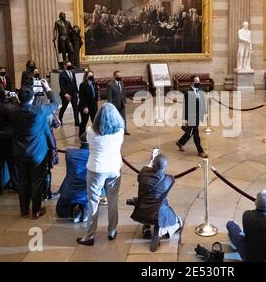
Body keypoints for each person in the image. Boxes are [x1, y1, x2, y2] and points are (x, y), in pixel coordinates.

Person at [8, 79, 59, 220]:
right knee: (37, 181)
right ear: (33, 97)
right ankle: (35, 211)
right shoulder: (40, 110)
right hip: (37, 152)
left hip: (19, 151)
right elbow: (55, 103)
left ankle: (24, 211)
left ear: (19, 97)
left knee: (23, 181)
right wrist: (47, 87)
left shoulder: (12, 112)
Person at [76, 103, 125, 246]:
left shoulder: (91, 132)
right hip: (114, 169)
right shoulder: (120, 131)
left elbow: (82, 137)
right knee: (113, 200)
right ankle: (112, 230)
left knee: (93, 201)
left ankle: (90, 235)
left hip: (96, 170)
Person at [130, 151, 183, 252]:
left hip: (141, 212)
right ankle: (160, 232)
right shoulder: (169, 179)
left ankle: (146, 227)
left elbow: (147, 168)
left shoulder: (142, 173)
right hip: (158, 214)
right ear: (165, 167)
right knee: (177, 222)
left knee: (149, 202)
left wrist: (152, 160)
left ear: (153, 164)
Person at [0, 83, 18, 196]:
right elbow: (15, 121)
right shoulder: (8, 107)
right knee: (12, 164)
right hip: (8, 139)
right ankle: (16, 186)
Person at [56, 134, 90, 222]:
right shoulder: (94, 155)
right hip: (86, 188)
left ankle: (74, 209)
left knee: (61, 210)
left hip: (69, 188)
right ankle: (84, 208)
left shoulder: (69, 153)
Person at [176, 76, 208, 158]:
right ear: (192, 82)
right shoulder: (187, 93)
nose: (198, 82)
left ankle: (180, 142)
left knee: (191, 132)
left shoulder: (200, 90)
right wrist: (185, 118)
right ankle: (200, 151)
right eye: (196, 81)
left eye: (199, 81)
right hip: (191, 116)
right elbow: (185, 107)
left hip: (198, 115)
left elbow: (202, 102)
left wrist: (205, 112)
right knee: (196, 133)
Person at [106, 70, 130, 135]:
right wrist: (110, 105)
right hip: (114, 104)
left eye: (120, 75)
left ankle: (124, 130)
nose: (119, 77)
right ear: (114, 76)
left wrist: (124, 101)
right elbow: (109, 96)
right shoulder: (110, 85)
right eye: (118, 76)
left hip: (121, 103)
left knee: (123, 117)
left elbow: (123, 93)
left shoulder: (122, 83)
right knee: (114, 118)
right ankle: (114, 130)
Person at [78, 70, 99, 138]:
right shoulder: (83, 85)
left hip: (93, 106)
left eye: (92, 75)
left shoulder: (94, 84)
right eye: (89, 75)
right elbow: (82, 97)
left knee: (95, 121)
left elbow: (95, 95)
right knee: (84, 121)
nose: (91, 77)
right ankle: (81, 135)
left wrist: (96, 106)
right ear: (86, 76)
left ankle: (97, 134)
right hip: (85, 106)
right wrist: (85, 107)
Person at [58, 60, 80, 126]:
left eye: (70, 65)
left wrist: (77, 92)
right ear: (65, 66)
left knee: (75, 108)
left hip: (73, 94)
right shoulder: (62, 74)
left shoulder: (72, 73)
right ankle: (60, 119)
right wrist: (65, 94)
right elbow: (61, 85)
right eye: (68, 65)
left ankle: (77, 121)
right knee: (64, 107)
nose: (69, 66)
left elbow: (74, 83)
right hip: (66, 95)